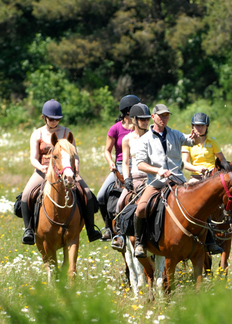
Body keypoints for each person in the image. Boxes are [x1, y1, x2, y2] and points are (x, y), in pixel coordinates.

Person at [132, 104, 224, 258]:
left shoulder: (175, 134)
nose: (164, 118)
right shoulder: (144, 140)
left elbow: (190, 142)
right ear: (153, 117)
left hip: (178, 181)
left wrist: (194, 138)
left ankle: (209, 241)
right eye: (161, 115)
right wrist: (158, 170)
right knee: (141, 208)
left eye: (166, 115)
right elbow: (140, 164)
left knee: (201, 203)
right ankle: (139, 243)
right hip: (156, 183)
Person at [20, 99, 102, 245]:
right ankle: (29, 230)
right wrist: (41, 167)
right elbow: (33, 158)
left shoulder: (67, 132)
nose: (54, 122)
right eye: (51, 119)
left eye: (57, 119)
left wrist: (75, 169)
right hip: (44, 171)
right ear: (44, 117)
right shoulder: (37, 134)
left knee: (87, 193)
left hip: (66, 170)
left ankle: (91, 229)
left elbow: (74, 154)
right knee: (26, 195)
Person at [181, 112, 232, 237]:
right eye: (196, 126)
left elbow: (222, 160)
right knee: (185, 201)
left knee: (231, 197)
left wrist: (226, 170)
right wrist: (197, 168)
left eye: (202, 126)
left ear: (207, 127)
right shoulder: (187, 142)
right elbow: (184, 163)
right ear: (192, 126)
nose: (199, 128)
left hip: (213, 177)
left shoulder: (213, 142)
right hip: (196, 178)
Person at [97, 95, 141, 241]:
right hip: (121, 166)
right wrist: (111, 162)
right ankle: (108, 227)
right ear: (128, 111)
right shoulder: (115, 128)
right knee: (101, 195)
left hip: (138, 164)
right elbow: (107, 150)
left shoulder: (140, 127)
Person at [110, 103, 152, 249]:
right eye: (142, 119)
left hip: (151, 177)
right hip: (135, 176)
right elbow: (126, 162)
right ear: (134, 120)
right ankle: (120, 236)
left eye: (147, 119)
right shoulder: (127, 139)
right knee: (120, 202)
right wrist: (127, 179)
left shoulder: (153, 136)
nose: (145, 122)